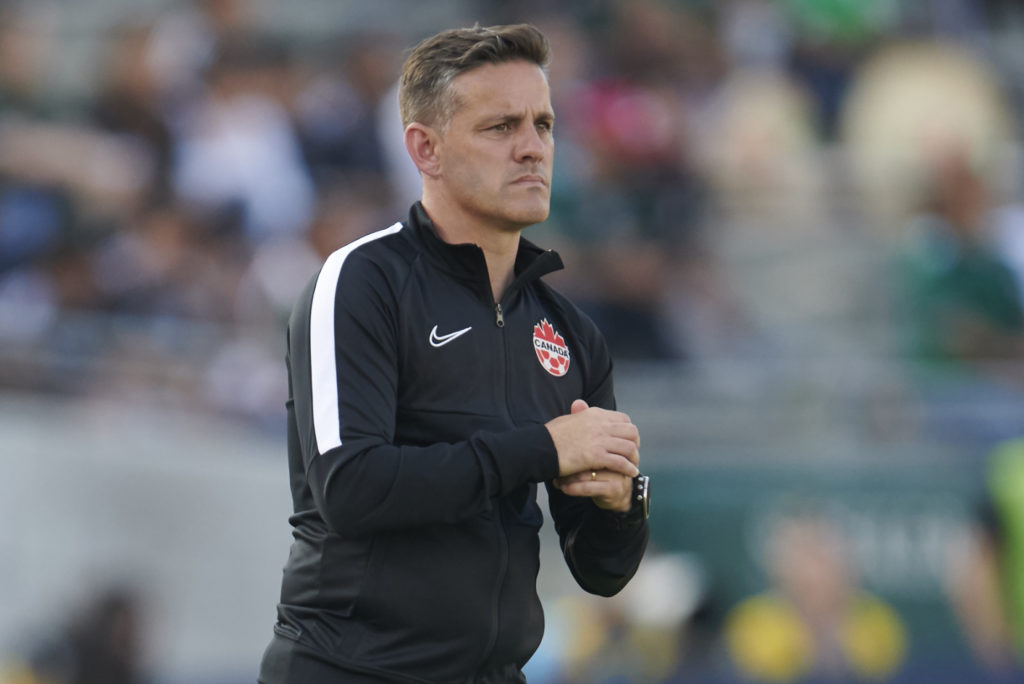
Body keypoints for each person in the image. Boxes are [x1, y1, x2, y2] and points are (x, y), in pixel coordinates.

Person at [257, 24, 650, 684]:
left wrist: (622, 507)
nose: (533, 148)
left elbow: (600, 570)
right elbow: (351, 489)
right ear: (425, 149)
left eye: (544, 125)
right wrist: (544, 448)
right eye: (501, 127)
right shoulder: (360, 282)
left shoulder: (571, 331)